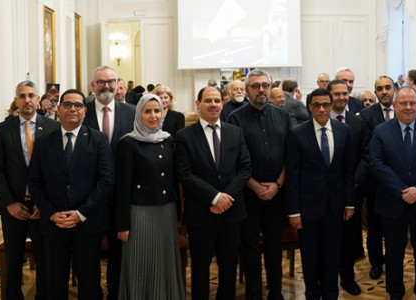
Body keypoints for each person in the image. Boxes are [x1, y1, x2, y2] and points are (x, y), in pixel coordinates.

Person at [28, 89, 114, 299]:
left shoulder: (98, 140)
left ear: (85, 110)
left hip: (88, 223)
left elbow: (106, 182)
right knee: (54, 283)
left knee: (90, 283)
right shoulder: (43, 141)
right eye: (67, 104)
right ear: (58, 109)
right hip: (54, 224)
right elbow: (35, 182)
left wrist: (80, 213)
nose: (72, 109)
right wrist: (51, 213)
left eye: (78, 105)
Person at [368, 87, 416, 300]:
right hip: (392, 202)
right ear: (394, 106)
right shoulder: (381, 131)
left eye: (413, 103)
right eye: (403, 103)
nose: (408, 107)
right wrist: (402, 190)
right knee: (394, 252)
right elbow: (376, 163)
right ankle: (395, 292)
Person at [176, 86, 252, 300]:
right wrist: (215, 197)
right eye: (208, 100)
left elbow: (245, 168)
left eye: (217, 100)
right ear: (198, 104)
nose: (213, 104)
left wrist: (226, 198)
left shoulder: (235, 132)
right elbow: (184, 174)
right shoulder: (184, 136)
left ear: (223, 103)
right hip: (201, 212)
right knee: (200, 266)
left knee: (228, 265)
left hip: (232, 211)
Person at [225, 69, 292, 300]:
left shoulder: (283, 116)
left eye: (265, 85)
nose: (261, 89)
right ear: (247, 89)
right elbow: (232, 160)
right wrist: (255, 186)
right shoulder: (235, 118)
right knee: (249, 246)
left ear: (271, 87)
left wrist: (277, 184)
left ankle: (275, 291)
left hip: (277, 193)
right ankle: (253, 293)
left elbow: (290, 156)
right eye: (255, 86)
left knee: (274, 245)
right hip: (247, 194)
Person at [0, 80, 60, 299]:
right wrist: (10, 202)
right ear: (16, 100)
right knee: (13, 258)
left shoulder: (52, 128)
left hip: (42, 206)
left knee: (44, 257)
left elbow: (56, 170)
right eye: (22, 96)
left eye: (31, 95)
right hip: (13, 207)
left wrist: (44, 203)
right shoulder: (3, 129)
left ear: (39, 99)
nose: (27, 100)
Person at [286, 88, 358, 300]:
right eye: (316, 105)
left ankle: (331, 295)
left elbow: (348, 170)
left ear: (332, 104)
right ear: (309, 107)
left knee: (332, 257)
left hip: (335, 207)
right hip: (307, 209)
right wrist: (294, 211)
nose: (321, 109)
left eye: (326, 104)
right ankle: (312, 295)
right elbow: (292, 175)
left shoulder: (344, 130)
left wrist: (349, 204)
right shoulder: (297, 133)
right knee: (310, 258)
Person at [114, 94, 184, 299]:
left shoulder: (168, 139)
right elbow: (122, 187)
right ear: (139, 114)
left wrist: (179, 215)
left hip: (166, 211)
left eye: (157, 111)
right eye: (147, 111)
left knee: (164, 261)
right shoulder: (128, 142)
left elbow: (173, 179)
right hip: (139, 214)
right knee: (140, 261)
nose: (153, 116)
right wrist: (122, 224)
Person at [84, 65, 135, 299]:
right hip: (89, 196)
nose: (106, 86)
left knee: (118, 252)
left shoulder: (132, 112)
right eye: (101, 82)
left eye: (111, 81)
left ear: (117, 84)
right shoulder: (80, 111)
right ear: (93, 86)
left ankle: (115, 293)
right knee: (89, 252)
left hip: (122, 196)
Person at [327, 79, 372, 296]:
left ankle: (347, 277)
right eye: (337, 94)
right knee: (325, 238)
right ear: (329, 96)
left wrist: (354, 181)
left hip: (351, 191)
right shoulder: (318, 120)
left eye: (345, 93)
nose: (342, 97)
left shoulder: (358, 122)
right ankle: (324, 279)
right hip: (323, 193)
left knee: (348, 238)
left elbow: (366, 155)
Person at [358, 75, 397, 280]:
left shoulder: (404, 109)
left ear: (394, 89)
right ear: (375, 92)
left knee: (395, 228)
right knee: (374, 228)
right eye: (379, 88)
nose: (384, 91)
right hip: (375, 183)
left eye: (387, 87)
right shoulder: (366, 115)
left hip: (400, 182)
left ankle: (393, 262)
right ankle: (376, 263)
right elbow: (366, 149)